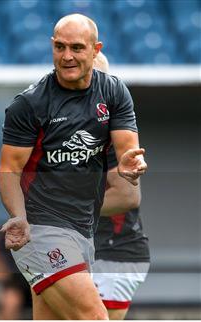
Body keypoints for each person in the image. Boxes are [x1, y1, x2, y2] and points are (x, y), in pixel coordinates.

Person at [0, 14, 147, 320]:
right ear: (52, 46)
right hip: (41, 229)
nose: (67, 56)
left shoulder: (114, 92)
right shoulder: (30, 104)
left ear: (95, 49)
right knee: (95, 317)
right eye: (60, 47)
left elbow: (127, 149)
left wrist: (131, 161)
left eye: (77, 48)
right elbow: (8, 169)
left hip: (84, 232)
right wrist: (19, 217)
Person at [92, 52, 151, 320]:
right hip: (83, 248)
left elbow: (128, 197)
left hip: (114, 251)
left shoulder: (115, 132)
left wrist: (59, 210)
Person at [0, 229, 32, 320]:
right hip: (15, 282)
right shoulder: (5, 230)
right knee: (10, 303)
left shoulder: (43, 228)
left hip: (40, 279)